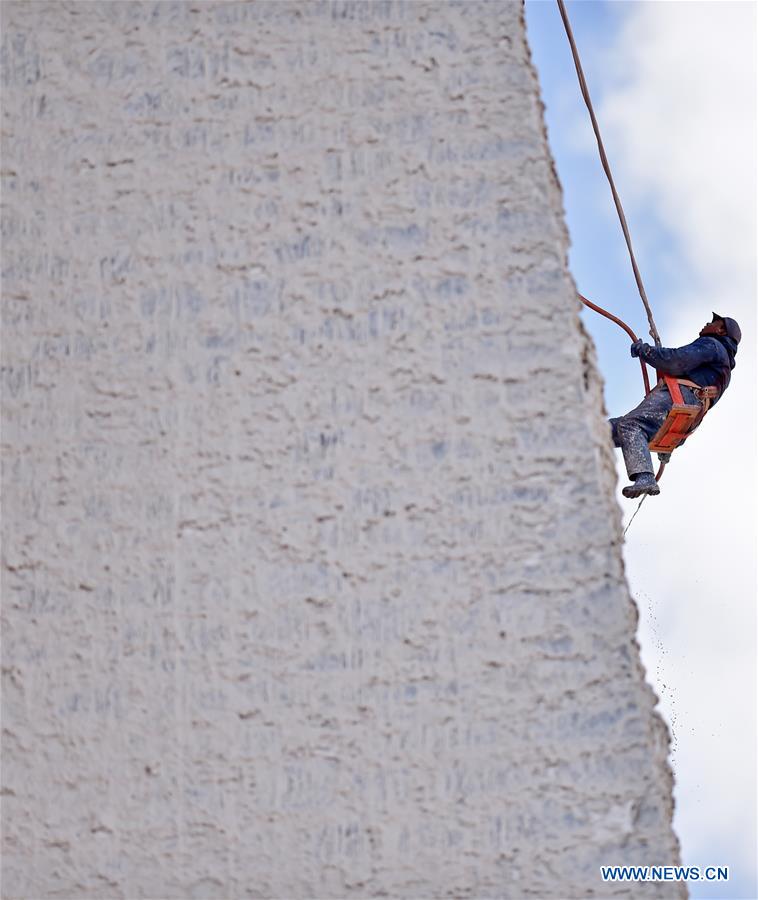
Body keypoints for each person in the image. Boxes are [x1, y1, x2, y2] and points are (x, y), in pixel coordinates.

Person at [610, 312, 741, 498]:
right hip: (684, 420)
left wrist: (644, 350)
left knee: (630, 425)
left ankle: (645, 476)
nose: (707, 323)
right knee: (612, 429)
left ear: (721, 330)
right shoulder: (724, 368)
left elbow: (675, 361)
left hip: (678, 400)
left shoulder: (713, 345)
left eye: (714, 322)